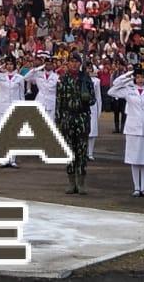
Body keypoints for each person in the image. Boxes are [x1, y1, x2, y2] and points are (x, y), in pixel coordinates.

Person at [108, 64, 144, 197]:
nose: (140, 80)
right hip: (133, 128)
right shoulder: (129, 92)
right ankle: (136, 187)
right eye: (137, 77)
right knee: (134, 158)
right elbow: (112, 90)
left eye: (142, 77)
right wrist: (128, 76)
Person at [55, 52, 92, 195]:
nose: (74, 64)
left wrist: (87, 97)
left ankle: (81, 182)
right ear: (68, 63)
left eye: (76, 61)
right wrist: (58, 121)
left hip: (82, 118)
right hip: (68, 117)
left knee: (81, 152)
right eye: (71, 61)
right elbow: (59, 101)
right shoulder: (63, 79)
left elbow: (93, 100)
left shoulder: (86, 79)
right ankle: (71, 182)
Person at [0, 57, 28, 167]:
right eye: (7, 64)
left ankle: (12, 159)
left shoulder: (19, 78)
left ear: (14, 65)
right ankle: (4, 158)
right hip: (3, 106)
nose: (9, 66)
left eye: (11, 64)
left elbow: (22, 95)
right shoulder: (0, 77)